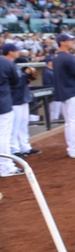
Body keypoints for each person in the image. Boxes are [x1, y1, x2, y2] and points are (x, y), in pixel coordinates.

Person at [0, 43, 21, 177]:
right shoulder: (5, 63)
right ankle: (5, 167)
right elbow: (15, 81)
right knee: (3, 136)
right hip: (3, 103)